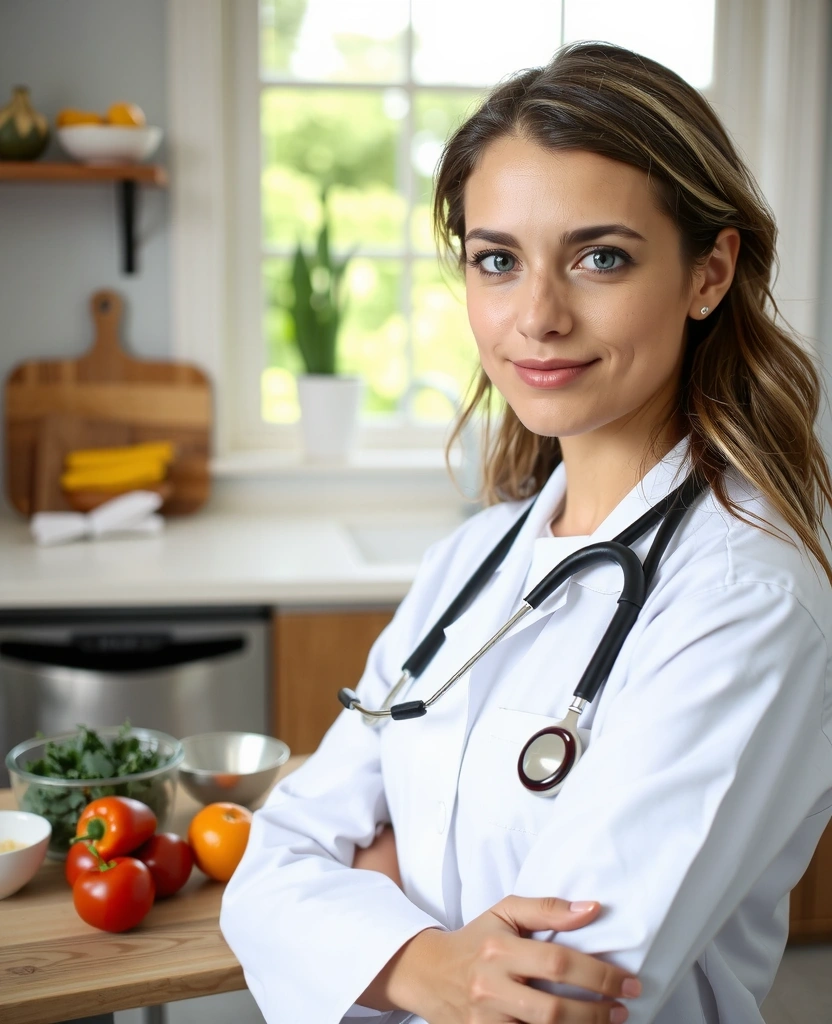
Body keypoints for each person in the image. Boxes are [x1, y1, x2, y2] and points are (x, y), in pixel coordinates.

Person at [220, 42, 832, 1024]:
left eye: (600, 257)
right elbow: (271, 856)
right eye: (497, 260)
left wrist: (372, 895)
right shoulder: (474, 560)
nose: (537, 316)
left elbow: (548, 998)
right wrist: (426, 958)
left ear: (709, 272)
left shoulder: (743, 597)